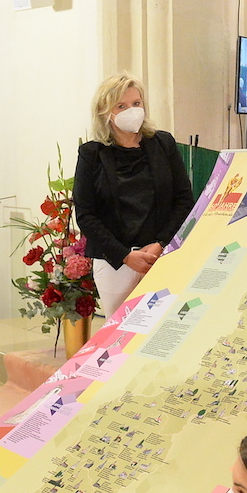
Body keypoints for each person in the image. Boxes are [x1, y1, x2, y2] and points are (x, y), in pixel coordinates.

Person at [74, 74, 195, 317]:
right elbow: (86, 215)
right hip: (115, 262)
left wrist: (161, 243)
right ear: (105, 112)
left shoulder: (163, 143)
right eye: (121, 106)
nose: (132, 111)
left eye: (136, 103)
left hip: (160, 255)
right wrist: (125, 256)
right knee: (121, 332)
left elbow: (184, 200)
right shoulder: (91, 154)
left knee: (162, 327)